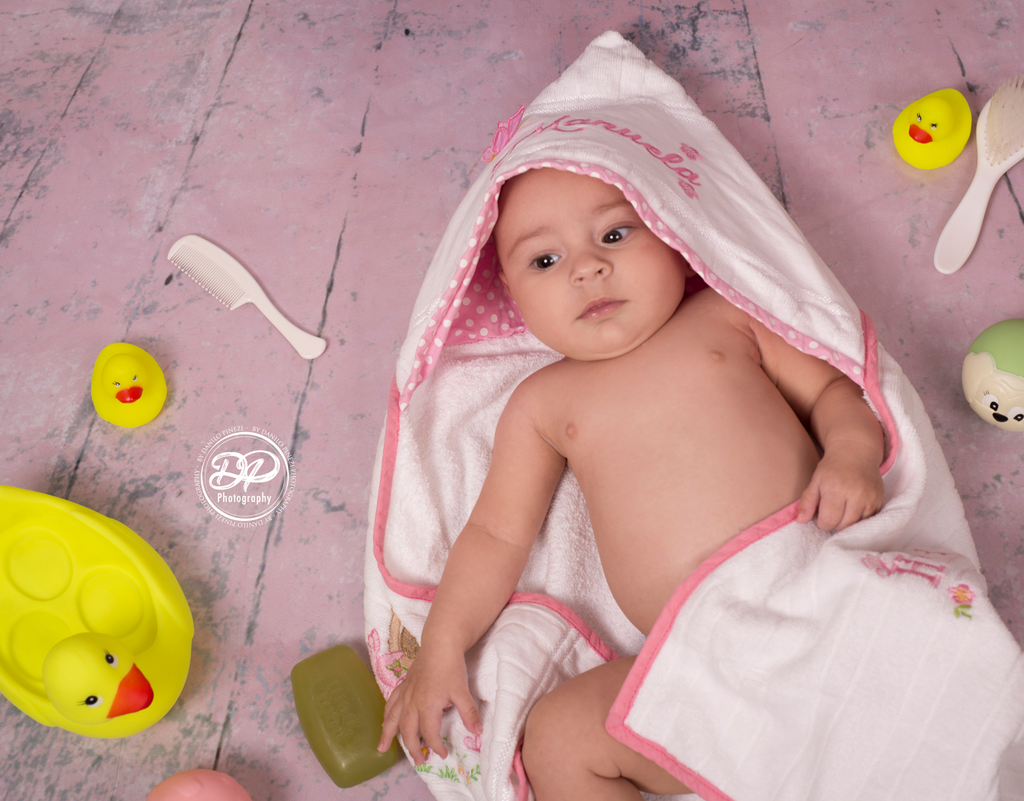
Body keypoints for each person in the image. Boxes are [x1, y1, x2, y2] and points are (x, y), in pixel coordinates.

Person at [377, 166, 886, 799]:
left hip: (823, 600)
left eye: (615, 235)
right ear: (510, 290)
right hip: (708, 668)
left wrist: (851, 455)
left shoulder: (728, 318)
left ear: (671, 231)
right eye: (544, 260)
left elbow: (835, 392)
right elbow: (495, 533)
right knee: (560, 737)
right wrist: (441, 646)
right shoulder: (542, 402)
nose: (587, 269)